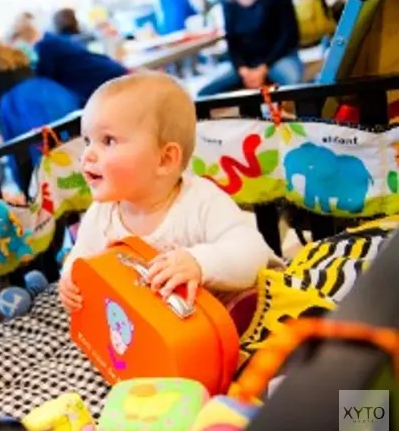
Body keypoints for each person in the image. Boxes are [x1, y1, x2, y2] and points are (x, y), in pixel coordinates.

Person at [58, 72, 281, 312]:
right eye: (87, 140)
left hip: (229, 315)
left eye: (108, 141)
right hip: (162, 328)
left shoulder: (201, 201)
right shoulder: (101, 214)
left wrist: (199, 263)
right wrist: (71, 278)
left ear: (164, 159)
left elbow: (251, 251)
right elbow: (82, 254)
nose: (88, 154)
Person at [197, 0, 302, 96]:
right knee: (204, 94)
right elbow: (232, 43)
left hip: (278, 58)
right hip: (246, 65)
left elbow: (290, 36)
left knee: (295, 87)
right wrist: (243, 70)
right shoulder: (228, 4)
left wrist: (263, 69)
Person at [0, 24, 81, 143]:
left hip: (17, 106)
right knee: (69, 134)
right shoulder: (16, 51)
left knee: (38, 146)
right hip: (46, 92)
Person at [11, 13, 128, 106]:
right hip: (110, 75)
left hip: (107, 82)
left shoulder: (45, 48)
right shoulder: (51, 40)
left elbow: (42, 80)